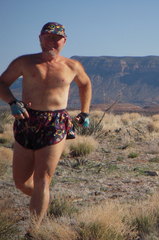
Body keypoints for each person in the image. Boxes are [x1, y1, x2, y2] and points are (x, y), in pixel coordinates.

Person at [0, 22, 92, 232]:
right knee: (21, 183)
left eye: (56, 38)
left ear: (64, 41)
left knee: (43, 178)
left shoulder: (72, 66)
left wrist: (85, 112)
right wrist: (13, 103)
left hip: (56, 123)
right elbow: (2, 83)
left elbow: (85, 84)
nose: (51, 41)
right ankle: (44, 198)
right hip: (26, 120)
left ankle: (33, 231)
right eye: (47, 37)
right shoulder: (24, 62)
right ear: (40, 38)